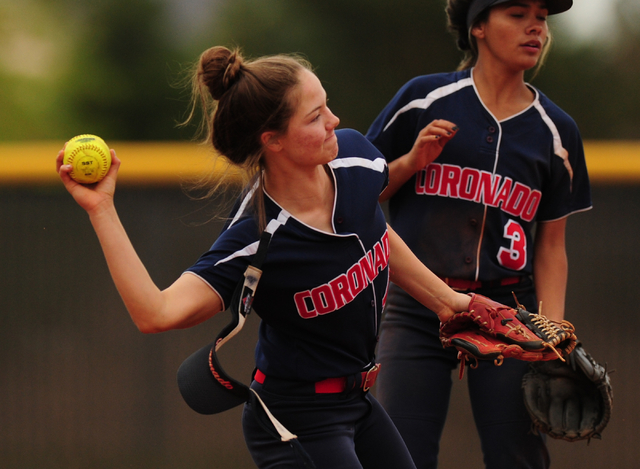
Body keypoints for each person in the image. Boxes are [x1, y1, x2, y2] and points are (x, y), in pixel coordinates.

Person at [56, 46, 478, 469]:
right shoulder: (258, 236)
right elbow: (156, 313)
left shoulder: (356, 159)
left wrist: (450, 302)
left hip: (360, 401)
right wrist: (101, 209)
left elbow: (375, 234)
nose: (333, 121)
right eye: (314, 117)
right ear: (271, 139)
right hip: (297, 418)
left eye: (325, 105)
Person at [365, 0, 591, 468]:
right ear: (479, 27)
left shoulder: (557, 132)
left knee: (518, 457)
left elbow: (551, 247)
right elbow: (356, 194)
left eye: (542, 17)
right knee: (399, 454)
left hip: (510, 313)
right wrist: (410, 163)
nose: (535, 27)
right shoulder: (422, 100)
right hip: (417, 307)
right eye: (517, 13)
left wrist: (550, 335)